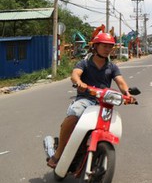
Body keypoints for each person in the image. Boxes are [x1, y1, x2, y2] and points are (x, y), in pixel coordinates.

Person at [47, 30, 135, 168]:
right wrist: (79, 82)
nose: (107, 49)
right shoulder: (85, 63)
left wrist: (127, 93)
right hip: (85, 99)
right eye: (104, 46)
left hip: (104, 103)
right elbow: (75, 75)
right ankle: (58, 154)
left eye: (110, 46)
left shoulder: (112, 67)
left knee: (109, 127)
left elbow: (121, 82)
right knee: (73, 116)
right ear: (96, 46)